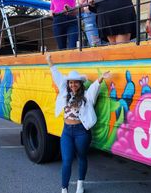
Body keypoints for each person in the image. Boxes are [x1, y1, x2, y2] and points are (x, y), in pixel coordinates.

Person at [46, 54, 110, 193]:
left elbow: (95, 88)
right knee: (67, 160)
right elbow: (57, 77)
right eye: (70, 82)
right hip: (67, 131)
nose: (72, 85)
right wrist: (50, 62)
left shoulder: (87, 96)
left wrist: (101, 78)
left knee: (81, 157)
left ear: (80, 83)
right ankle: (64, 189)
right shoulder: (64, 93)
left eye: (76, 82)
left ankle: (80, 184)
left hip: (82, 132)